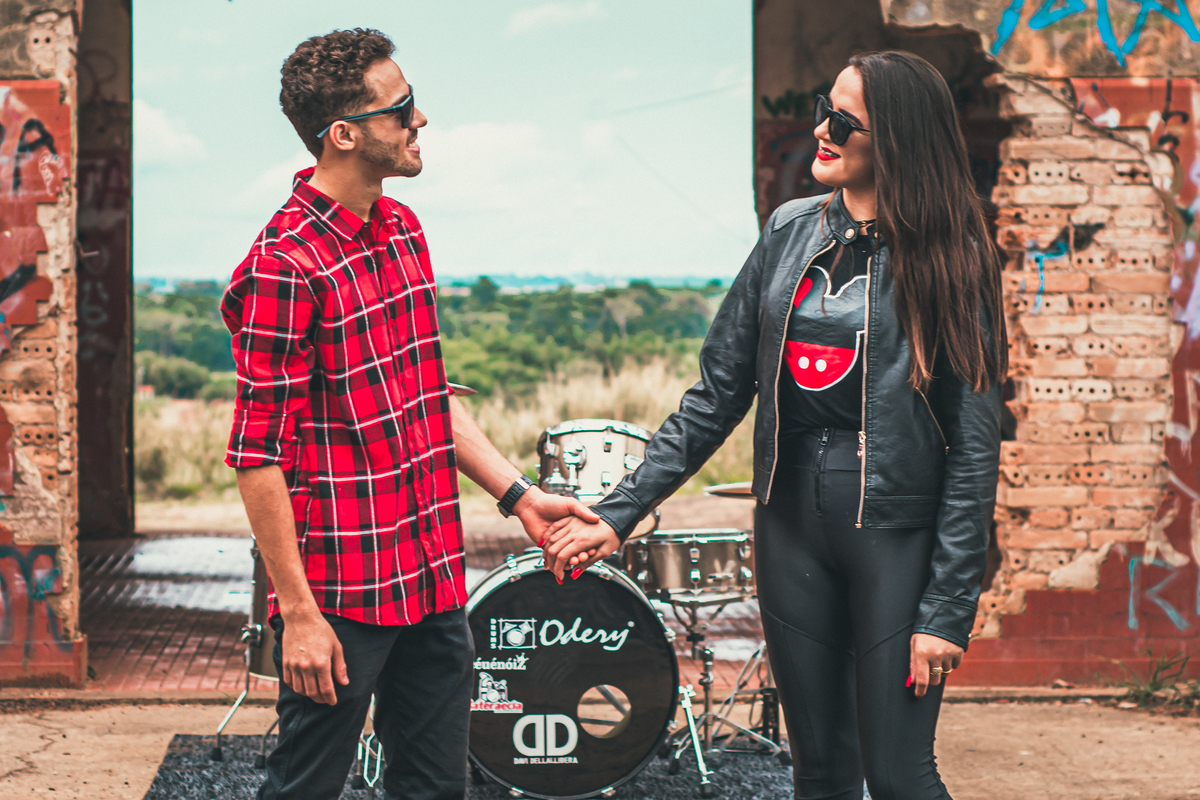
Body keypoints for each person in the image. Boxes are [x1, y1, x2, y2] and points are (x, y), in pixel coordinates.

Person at [543, 50, 1005, 800]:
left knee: (899, 775)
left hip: (894, 535)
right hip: (789, 526)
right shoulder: (789, 231)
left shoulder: (954, 257)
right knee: (818, 772)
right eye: (824, 109)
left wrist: (948, 608)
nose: (822, 130)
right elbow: (716, 395)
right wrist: (619, 512)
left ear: (896, 139)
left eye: (844, 121)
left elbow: (974, 448)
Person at [222, 29, 598, 800]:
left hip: (429, 574)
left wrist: (521, 497)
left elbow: (427, 397)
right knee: (303, 789)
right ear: (344, 134)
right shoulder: (283, 265)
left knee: (435, 786)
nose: (419, 119)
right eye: (402, 108)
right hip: (342, 591)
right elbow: (256, 455)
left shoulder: (402, 232)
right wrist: (298, 614)